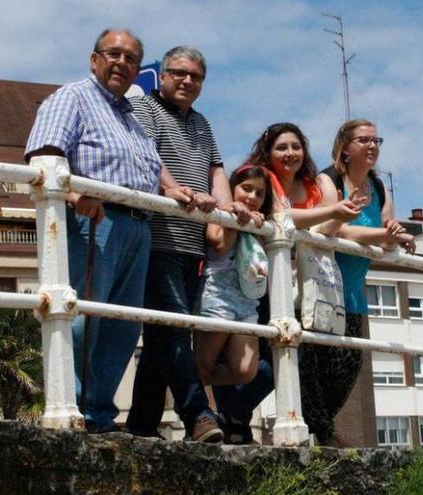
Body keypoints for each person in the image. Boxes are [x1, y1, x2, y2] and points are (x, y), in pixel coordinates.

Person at [24, 29, 194, 434]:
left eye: (131, 58)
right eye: (113, 54)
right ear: (94, 59)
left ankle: (99, 414)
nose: (122, 62)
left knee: (122, 326)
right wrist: (76, 191)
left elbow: (151, 167)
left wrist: (172, 189)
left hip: (137, 226)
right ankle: (74, 410)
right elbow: (45, 153)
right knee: (83, 318)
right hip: (93, 221)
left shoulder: (131, 117)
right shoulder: (73, 97)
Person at [124, 46, 252, 443]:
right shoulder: (145, 109)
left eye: (195, 76)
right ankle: (197, 414)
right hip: (158, 236)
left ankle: (142, 423)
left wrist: (228, 205)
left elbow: (215, 168)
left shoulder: (202, 123)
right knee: (174, 325)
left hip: (193, 244)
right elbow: (147, 154)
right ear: (162, 75)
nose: (187, 81)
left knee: (165, 331)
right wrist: (173, 187)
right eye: (179, 73)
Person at [213, 122, 363, 444]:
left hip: (302, 284)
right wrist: (332, 210)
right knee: (257, 355)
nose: (290, 153)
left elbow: (326, 229)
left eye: (296, 146)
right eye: (281, 147)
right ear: (268, 151)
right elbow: (281, 219)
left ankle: (234, 420)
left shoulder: (312, 185)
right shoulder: (260, 180)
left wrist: (339, 213)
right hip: (258, 278)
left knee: (290, 352)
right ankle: (233, 422)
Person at [302, 119, 416, 447]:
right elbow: (333, 227)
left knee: (348, 367)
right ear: (344, 148)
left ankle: (321, 433)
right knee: (316, 368)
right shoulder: (330, 180)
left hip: (354, 293)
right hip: (324, 287)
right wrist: (384, 235)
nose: (372, 146)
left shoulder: (379, 189)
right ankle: (323, 435)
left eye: (376, 140)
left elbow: (388, 237)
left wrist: (396, 236)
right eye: (363, 140)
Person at [194, 165, 271, 400]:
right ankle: (195, 408)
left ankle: (184, 380)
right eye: (246, 189)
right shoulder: (221, 212)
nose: (252, 197)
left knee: (246, 370)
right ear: (232, 188)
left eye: (260, 193)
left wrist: (252, 225)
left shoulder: (260, 222)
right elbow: (218, 243)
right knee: (203, 364)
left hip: (247, 300)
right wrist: (236, 221)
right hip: (218, 295)